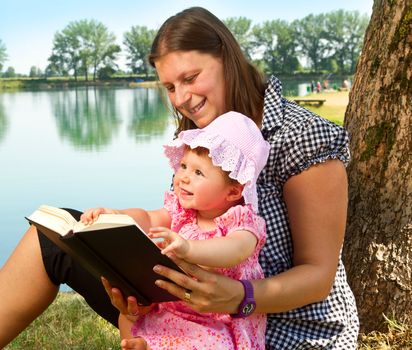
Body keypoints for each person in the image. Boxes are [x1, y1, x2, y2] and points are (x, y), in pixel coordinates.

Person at [0, 6, 359, 349]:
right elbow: (173, 217)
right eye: (170, 87)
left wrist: (238, 298)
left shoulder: (303, 135)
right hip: (187, 315)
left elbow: (318, 276)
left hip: (284, 331)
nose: (182, 99)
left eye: (190, 78)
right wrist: (111, 224)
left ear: (226, 56)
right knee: (50, 242)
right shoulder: (196, 136)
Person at [82, 111, 269, 349]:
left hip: (216, 320)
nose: (183, 178)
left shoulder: (241, 222)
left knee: (211, 344)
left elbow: (233, 250)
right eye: (183, 166)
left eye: (198, 172)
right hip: (173, 308)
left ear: (233, 191)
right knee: (132, 313)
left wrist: (189, 248)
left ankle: (150, 346)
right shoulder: (181, 211)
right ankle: (143, 343)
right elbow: (148, 217)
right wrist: (117, 215)